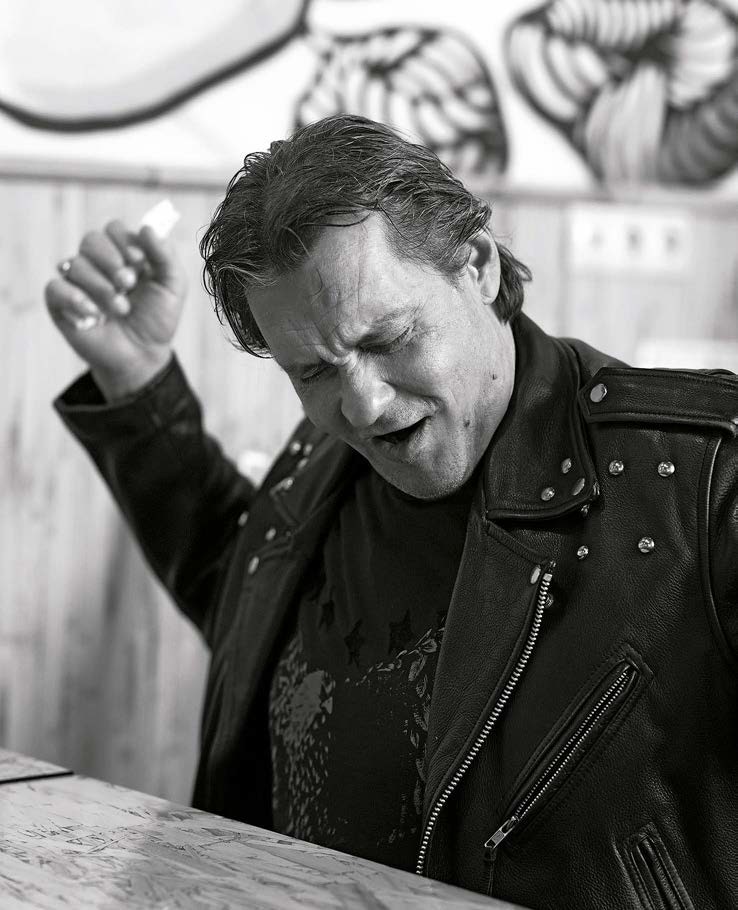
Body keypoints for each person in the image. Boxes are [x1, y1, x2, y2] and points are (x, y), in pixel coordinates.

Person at [46, 115, 738, 910]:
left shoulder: (698, 476)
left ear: (477, 265)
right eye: (313, 372)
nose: (364, 405)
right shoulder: (320, 466)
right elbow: (244, 601)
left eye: (388, 339)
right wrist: (137, 383)